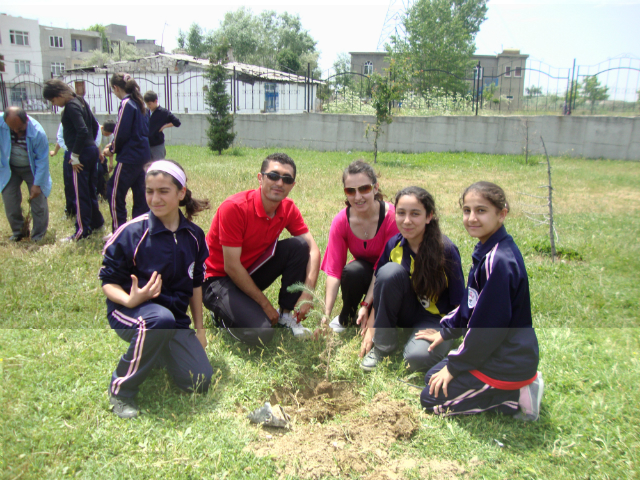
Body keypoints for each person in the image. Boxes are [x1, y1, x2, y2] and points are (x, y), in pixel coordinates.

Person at [418, 182, 543, 420]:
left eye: (481, 211)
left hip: (506, 360)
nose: (472, 218)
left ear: (502, 213)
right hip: (494, 351)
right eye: (467, 210)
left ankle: (516, 396)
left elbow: (486, 330)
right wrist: (444, 332)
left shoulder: (499, 261)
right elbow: (470, 303)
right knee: (432, 377)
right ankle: (504, 390)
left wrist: (454, 367)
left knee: (430, 400)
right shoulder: (488, 249)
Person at [99, 159, 213, 419]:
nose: (155, 198)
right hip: (130, 312)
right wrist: (130, 299)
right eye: (149, 191)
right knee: (159, 320)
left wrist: (200, 329)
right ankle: (121, 390)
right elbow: (108, 281)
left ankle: (157, 349)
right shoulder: (132, 233)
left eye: (163, 191)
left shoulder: (194, 236)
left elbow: (196, 284)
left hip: (173, 320)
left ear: (181, 193)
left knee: (198, 380)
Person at [203, 152, 321, 346]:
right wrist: (265, 305)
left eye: (287, 179)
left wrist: (307, 293)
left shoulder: (288, 208)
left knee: (299, 246)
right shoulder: (234, 208)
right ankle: (221, 316)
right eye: (273, 176)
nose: (279, 183)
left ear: (293, 185)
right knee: (262, 334)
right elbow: (231, 267)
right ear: (260, 178)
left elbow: (313, 250)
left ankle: (285, 316)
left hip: (249, 271)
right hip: (217, 279)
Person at [359, 186, 465, 373]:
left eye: (415, 214)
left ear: (429, 216)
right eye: (401, 213)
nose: (407, 221)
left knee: (415, 359)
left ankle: (429, 347)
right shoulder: (394, 244)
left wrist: (446, 332)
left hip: (435, 319)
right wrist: (372, 330)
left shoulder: (446, 250)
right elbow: (382, 288)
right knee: (389, 271)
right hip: (405, 311)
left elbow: (460, 304)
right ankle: (383, 349)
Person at [320, 160, 399, 333]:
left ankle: (372, 310)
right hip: (364, 274)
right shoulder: (341, 220)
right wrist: (325, 314)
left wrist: (366, 303)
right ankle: (346, 316)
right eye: (350, 191)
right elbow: (334, 271)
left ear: (375, 188)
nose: (357, 197)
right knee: (352, 271)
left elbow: (382, 267)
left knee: (387, 275)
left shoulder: (392, 218)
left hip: (388, 276)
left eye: (364, 189)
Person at [43, 79, 104, 241]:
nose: (54, 103)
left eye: (53, 100)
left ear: (61, 94)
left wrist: (75, 155)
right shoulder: (81, 101)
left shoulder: (71, 106)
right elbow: (95, 126)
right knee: (90, 189)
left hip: (81, 153)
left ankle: (82, 232)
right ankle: (97, 223)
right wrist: (92, 145)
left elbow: (82, 130)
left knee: (80, 193)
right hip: (90, 150)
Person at [103, 73, 151, 234]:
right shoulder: (140, 104)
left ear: (116, 88)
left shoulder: (127, 104)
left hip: (129, 157)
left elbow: (121, 131)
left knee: (114, 191)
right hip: (143, 155)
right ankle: (140, 230)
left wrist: (111, 149)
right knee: (140, 194)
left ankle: (119, 231)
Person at [0, 107, 51, 242]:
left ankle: (38, 235)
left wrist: (37, 184)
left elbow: (42, 161)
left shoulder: (38, 133)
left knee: (38, 202)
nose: (16, 132)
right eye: (12, 129)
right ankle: (19, 231)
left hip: (31, 169)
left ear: (26, 120)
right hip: (9, 168)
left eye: (20, 129)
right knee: (9, 200)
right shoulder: (1, 123)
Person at [144, 91, 181, 161]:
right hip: (146, 145)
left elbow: (177, 122)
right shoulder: (145, 111)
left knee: (158, 165)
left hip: (157, 145)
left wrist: (165, 126)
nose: (148, 106)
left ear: (155, 101)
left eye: (149, 104)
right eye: (146, 104)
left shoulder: (163, 112)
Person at [96, 120, 116, 201]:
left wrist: (111, 163)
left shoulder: (111, 135)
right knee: (98, 173)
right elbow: (97, 144)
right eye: (106, 133)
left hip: (103, 157)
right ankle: (96, 193)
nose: (107, 135)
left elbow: (111, 149)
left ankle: (105, 194)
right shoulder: (97, 131)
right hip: (96, 156)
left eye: (109, 134)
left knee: (105, 175)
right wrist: (100, 155)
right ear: (102, 128)